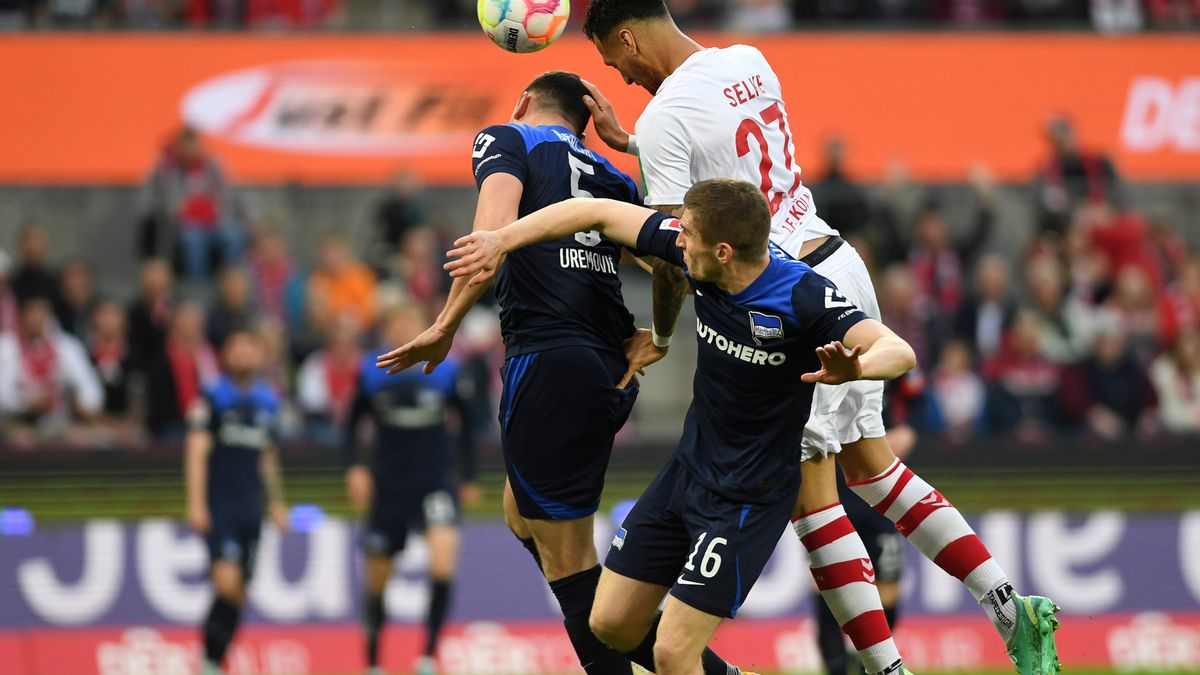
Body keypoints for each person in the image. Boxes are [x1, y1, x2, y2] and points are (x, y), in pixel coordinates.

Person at [578, 2, 1059, 670]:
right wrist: (635, 144)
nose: (623, 76)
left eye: (614, 60)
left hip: (787, 301)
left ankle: (888, 667)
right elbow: (732, 156)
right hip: (839, 263)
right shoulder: (748, 60)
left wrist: (659, 332)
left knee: (813, 501)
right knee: (876, 470)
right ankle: (1010, 603)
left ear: (626, 36)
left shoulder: (664, 118)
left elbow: (673, 258)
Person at [442, 179, 919, 675]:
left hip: (746, 498)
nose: (678, 241)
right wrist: (501, 239)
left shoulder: (802, 295)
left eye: (688, 233)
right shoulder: (697, 252)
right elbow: (596, 212)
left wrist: (856, 368)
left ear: (725, 251)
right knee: (610, 624)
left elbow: (898, 351)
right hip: (685, 476)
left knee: (672, 653)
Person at [375, 71, 740, 675]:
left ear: (523, 104)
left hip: (548, 363)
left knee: (570, 565)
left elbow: (487, 243)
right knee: (521, 512)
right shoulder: (611, 177)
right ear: (587, 120)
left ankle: (707, 671)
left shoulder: (507, 138)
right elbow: (676, 268)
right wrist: (665, 337)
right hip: (604, 367)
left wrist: (443, 325)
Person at [344, 304, 478, 675]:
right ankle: (372, 661)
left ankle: (429, 656)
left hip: (434, 481)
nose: (405, 326)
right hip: (388, 485)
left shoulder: (445, 369)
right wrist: (355, 467)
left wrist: (468, 477)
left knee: (442, 563)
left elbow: (467, 428)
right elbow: (351, 424)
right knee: (377, 580)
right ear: (385, 329)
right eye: (397, 320)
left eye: (411, 319)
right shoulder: (373, 371)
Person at [184, 328, 288, 675]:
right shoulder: (212, 397)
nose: (244, 354)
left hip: (251, 509)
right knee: (226, 583)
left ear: (261, 356)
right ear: (225, 354)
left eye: (250, 347)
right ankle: (209, 660)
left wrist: (276, 503)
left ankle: (215, 658)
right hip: (221, 507)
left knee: (240, 592)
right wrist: (196, 503)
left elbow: (267, 456)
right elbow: (197, 451)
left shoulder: (267, 400)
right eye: (236, 346)